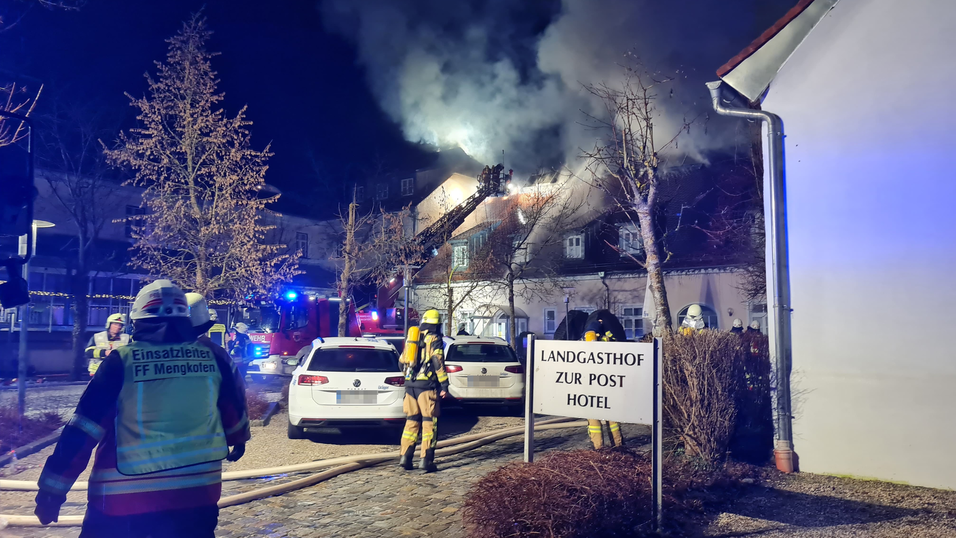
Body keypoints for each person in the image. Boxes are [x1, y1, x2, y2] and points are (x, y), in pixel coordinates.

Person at [34, 280, 251, 538]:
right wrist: (238, 439)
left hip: (122, 504)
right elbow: (234, 413)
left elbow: (83, 431)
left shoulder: (121, 362)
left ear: (138, 322)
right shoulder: (215, 357)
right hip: (197, 497)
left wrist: (52, 492)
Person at [398, 309, 449, 473]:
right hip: (426, 387)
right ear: (438, 323)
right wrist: (444, 384)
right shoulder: (434, 338)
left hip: (410, 386)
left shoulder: (413, 336)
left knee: (411, 421)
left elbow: (401, 363)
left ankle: (405, 457)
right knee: (429, 422)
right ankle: (426, 461)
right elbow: (437, 360)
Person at [582, 312, 624, 450]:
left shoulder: (584, 341)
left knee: (593, 419)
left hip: (590, 386)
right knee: (612, 419)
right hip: (608, 384)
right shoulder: (609, 339)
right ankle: (617, 445)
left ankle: (598, 447)